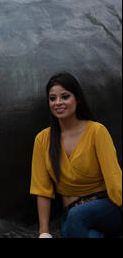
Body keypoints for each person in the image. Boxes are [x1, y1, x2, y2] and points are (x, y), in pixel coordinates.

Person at [30, 72, 122, 238]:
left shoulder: (96, 131)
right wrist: (44, 233)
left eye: (65, 96)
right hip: (71, 214)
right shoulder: (42, 139)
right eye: (52, 98)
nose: (58, 103)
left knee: (77, 216)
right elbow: (42, 189)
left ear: (77, 99)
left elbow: (115, 179)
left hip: (106, 208)